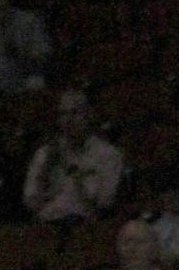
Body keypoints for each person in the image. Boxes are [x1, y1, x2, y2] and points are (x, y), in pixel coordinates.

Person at [23, 90, 124, 223]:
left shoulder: (107, 154)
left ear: (89, 116)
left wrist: (79, 182)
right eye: (63, 114)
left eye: (75, 113)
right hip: (47, 225)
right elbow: (30, 202)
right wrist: (46, 171)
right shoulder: (45, 154)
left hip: (86, 226)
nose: (68, 120)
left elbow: (105, 203)